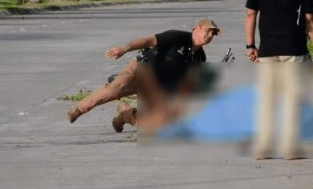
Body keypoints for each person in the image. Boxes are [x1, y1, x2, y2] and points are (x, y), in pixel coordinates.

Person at [67, 18, 220, 133]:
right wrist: (124, 48)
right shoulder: (177, 37)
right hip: (140, 70)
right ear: (198, 28)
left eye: (213, 34)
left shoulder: (200, 58)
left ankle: (125, 114)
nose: (210, 36)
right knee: (114, 90)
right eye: (208, 31)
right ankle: (79, 109)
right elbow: (148, 40)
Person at [244, 0, 313, 160]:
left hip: (267, 51)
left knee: (266, 100)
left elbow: (251, 15)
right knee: (292, 99)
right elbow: (310, 20)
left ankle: (263, 148)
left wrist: (250, 46)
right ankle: (290, 149)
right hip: (294, 51)